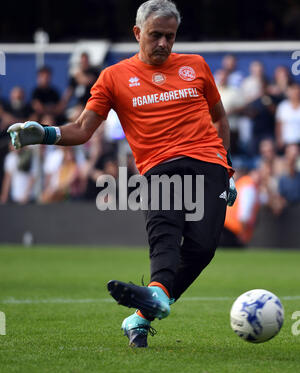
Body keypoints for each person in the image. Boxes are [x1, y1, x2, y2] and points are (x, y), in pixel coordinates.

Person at [7, 0, 237, 348]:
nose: (163, 43)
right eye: (156, 35)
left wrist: (228, 168)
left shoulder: (196, 66)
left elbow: (220, 118)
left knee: (203, 248)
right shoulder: (114, 77)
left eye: (170, 37)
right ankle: (155, 299)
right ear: (137, 33)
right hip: (160, 168)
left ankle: (141, 314)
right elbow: (84, 129)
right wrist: (46, 133)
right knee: (165, 234)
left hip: (209, 164)